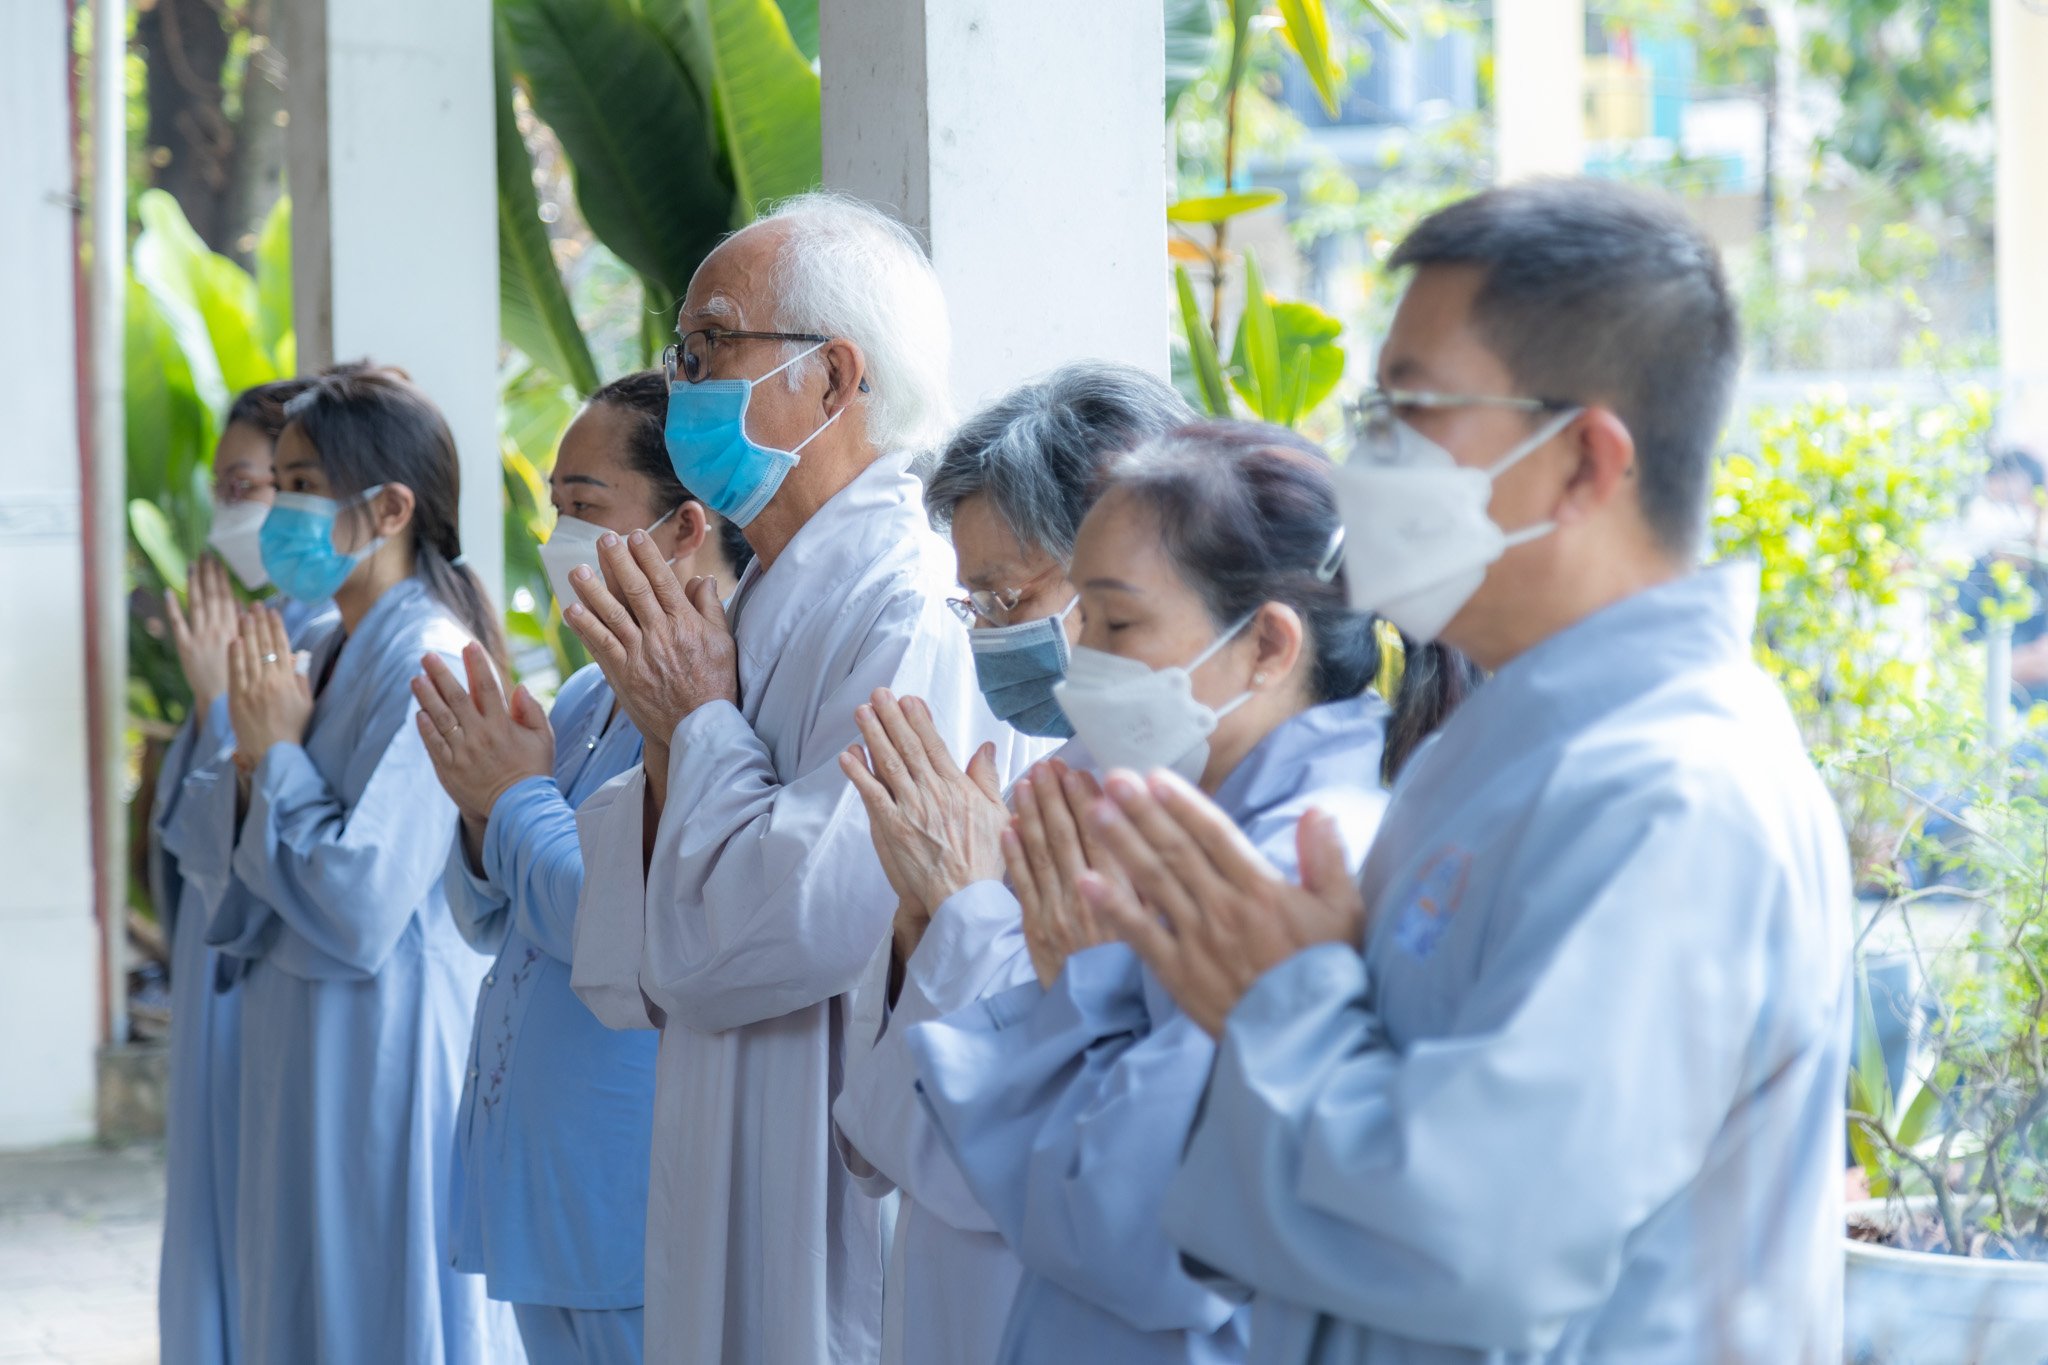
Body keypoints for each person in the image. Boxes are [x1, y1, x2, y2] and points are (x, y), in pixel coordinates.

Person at [1079, 180, 1852, 1361]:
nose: (1366, 460)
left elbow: (1481, 1242)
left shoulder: (1677, 795)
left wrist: (1279, 1004)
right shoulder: (1496, 752)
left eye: (1412, 412)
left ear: (1582, 462)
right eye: (1373, 412)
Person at [565, 191, 1038, 1364]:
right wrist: (674, 732)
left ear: (830, 379)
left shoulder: (910, 604)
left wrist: (694, 722)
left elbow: (795, 921)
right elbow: (642, 953)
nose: (678, 382)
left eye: (708, 346)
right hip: (715, 1123)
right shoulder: (757, 592)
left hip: (822, 1162)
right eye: (679, 351)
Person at [906, 424, 1463, 1364]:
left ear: (1267, 645)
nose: (1082, 662)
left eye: (1118, 625)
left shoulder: (1292, 866)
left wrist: (1081, 985)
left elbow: (1133, 1231)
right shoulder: (1199, 820)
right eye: (1084, 620)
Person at [829, 362, 1194, 1365]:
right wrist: (919, 923)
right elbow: (878, 1135)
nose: (991, 636)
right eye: (975, 606)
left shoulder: (1208, 811)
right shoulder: (1046, 781)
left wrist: (962, 906)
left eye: (1005, 597)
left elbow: (1008, 1152)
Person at [178, 366, 516, 1364]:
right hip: (298, 1040)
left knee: (379, 1302)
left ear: (390, 508)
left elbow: (362, 898)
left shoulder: (432, 662)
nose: (278, 513)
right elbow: (212, 842)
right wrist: (253, 760)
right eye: (277, 484)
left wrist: (275, 759)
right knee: (300, 1301)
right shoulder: (324, 645)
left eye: (300, 486)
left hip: (384, 1042)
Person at [414, 370, 750, 1365]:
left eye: (585, 506)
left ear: (684, 528)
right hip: (543, 1168)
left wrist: (512, 795)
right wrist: (481, 805)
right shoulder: (584, 695)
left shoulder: (715, 700)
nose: (559, 536)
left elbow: (616, 928)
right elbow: (489, 918)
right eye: (554, 506)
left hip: (624, 1175)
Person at [153, 376, 331, 1365]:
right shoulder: (264, 628)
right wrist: (209, 698)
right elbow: (186, 830)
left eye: (255, 485)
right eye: (223, 488)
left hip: (260, 963)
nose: (235, 509)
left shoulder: (322, 638)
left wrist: (223, 704)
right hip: (213, 960)